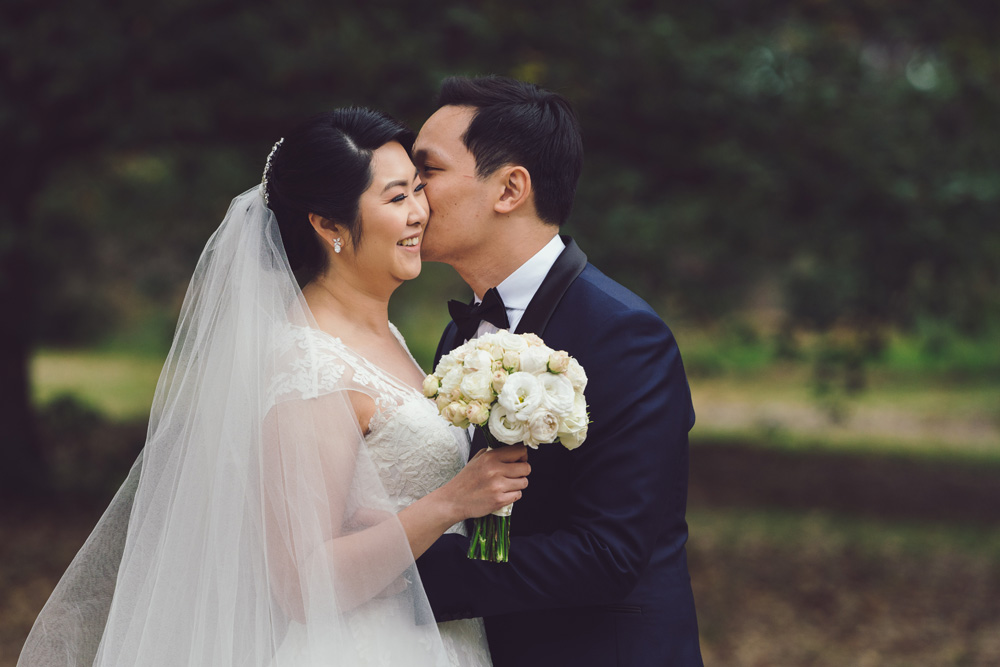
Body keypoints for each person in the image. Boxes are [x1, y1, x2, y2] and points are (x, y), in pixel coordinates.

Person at [17, 108, 529, 666]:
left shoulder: (386, 336)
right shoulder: (310, 366)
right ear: (329, 226)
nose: (419, 213)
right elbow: (302, 583)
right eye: (395, 197)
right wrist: (450, 503)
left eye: (417, 190)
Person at [412, 76, 703, 666]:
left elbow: (608, 553)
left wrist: (403, 576)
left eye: (428, 170)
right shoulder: (461, 332)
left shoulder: (625, 334)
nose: (411, 191)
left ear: (510, 189)